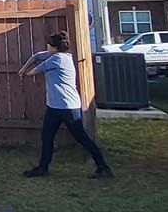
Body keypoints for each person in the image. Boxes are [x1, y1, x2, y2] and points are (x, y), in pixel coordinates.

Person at [19, 31, 113, 178]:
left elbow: (35, 71)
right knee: (47, 137)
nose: (47, 47)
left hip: (67, 107)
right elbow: (36, 56)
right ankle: (42, 168)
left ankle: (103, 167)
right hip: (54, 107)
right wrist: (23, 68)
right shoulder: (57, 55)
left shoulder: (57, 59)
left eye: (48, 45)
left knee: (82, 138)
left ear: (53, 47)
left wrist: (25, 72)